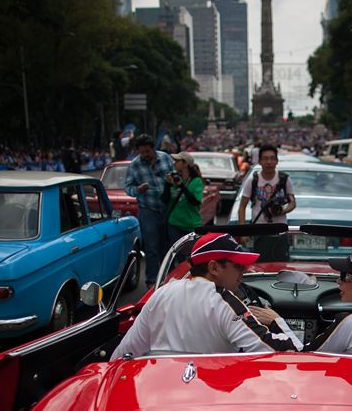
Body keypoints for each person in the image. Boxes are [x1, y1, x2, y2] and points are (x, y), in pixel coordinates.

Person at [109, 233, 303, 359]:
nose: (244, 270)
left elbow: (123, 354)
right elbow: (282, 351)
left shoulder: (162, 294)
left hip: (161, 396)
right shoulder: (225, 302)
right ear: (214, 267)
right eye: (238, 265)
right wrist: (278, 320)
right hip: (209, 400)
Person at [124, 134, 174, 288]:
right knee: (151, 247)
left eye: (147, 151)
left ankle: (170, 278)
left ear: (153, 148)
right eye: (141, 152)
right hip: (148, 210)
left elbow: (177, 176)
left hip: (167, 209)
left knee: (168, 247)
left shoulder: (165, 158)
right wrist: (138, 189)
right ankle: (152, 282)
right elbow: (128, 188)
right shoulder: (134, 165)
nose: (144, 155)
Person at [237, 144, 296, 260]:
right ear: (259, 161)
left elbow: (293, 203)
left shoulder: (284, 179)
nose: (269, 162)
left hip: (280, 231)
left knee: (280, 266)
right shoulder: (253, 180)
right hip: (259, 231)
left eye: (272, 158)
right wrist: (243, 232)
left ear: (277, 161)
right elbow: (242, 207)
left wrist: (282, 211)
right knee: (260, 266)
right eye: (265, 158)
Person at [162, 151, 204, 247]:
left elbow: (195, 201)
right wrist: (167, 184)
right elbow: (165, 200)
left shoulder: (196, 181)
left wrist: (181, 186)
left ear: (185, 163)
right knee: (178, 255)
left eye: (177, 161)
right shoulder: (175, 178)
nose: (174, 163)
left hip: (190, 225)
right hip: (174, 224)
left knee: (190, 255)